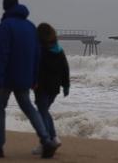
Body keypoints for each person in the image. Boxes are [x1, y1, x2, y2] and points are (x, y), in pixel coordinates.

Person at [0, 0, 58, 159]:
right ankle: (47, 141)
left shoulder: (5, 26)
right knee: (28, 107)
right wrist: (34, 78)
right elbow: (37, 55)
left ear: (5, 6)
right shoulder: (30, 26)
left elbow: (2, 54)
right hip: (24, 77)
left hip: (6, 77)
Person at [31, 23, 70, 155]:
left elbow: (36, 68)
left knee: (42, 113)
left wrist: (32, 81)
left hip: (41, 87)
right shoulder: (59, 50)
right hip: (54, 88)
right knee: (44, 112)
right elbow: (65, 69)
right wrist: (66, 85)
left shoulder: (40, 50)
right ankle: (53, 139)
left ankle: (49, 141)